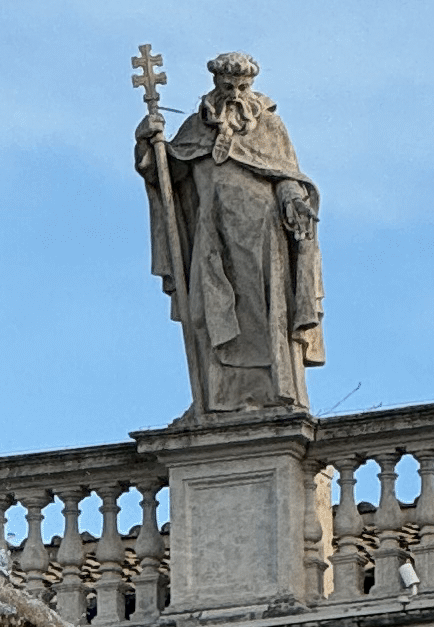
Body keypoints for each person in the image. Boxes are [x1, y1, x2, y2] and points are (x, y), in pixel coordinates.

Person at [137, 52, 323, 417]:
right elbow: (167, 177)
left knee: (265, 314)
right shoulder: (196, 127)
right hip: (212, 235)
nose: (235, 93)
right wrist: (150, 142)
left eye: (243, 87)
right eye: (228, 86)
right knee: (209, 311)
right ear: (216, 84)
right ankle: (217, 398)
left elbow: (286, 175)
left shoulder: (269, 127)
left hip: (261, 236)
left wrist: (294, 202)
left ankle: (272, 395)